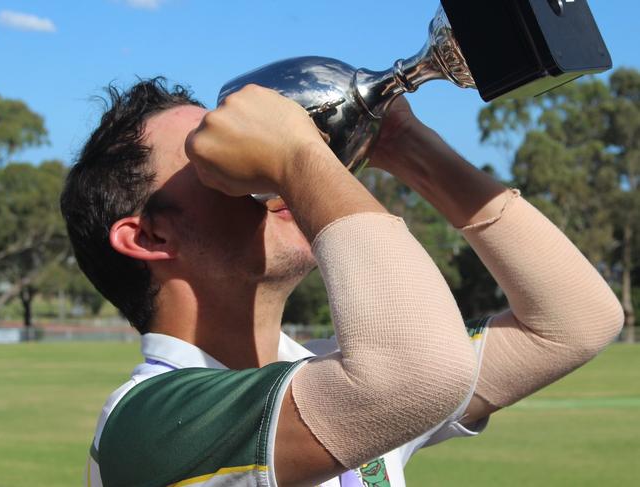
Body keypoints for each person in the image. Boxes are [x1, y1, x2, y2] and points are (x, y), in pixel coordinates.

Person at [60, 78, 623, 487]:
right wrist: (298, 156)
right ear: (149, 238)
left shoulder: (332, 372)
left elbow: (571, 323)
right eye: (211, 159)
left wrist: (405, 145)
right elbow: (413, 374)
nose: (253, 166)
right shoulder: (142, 427)